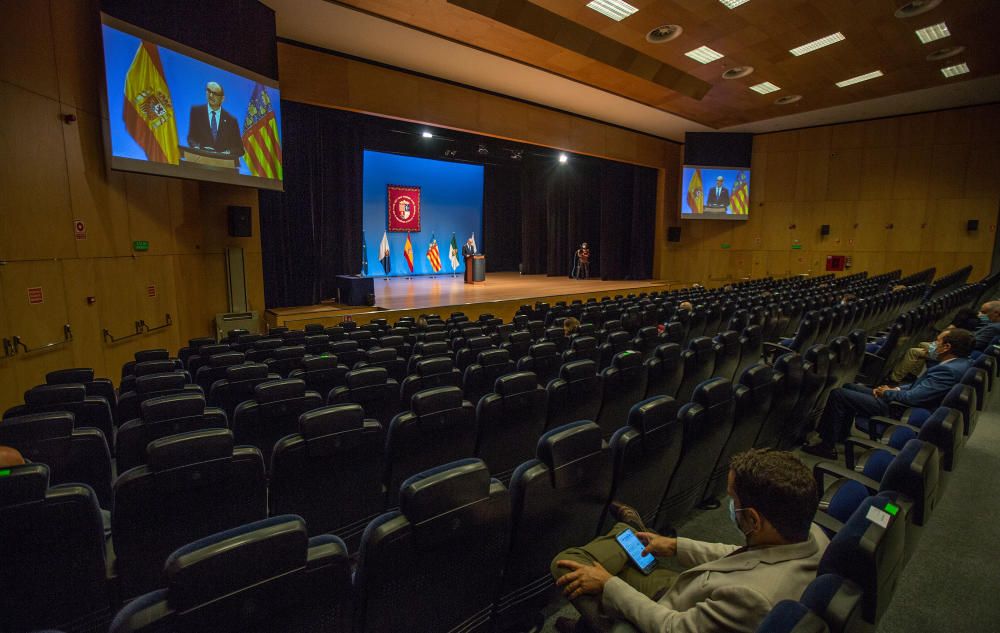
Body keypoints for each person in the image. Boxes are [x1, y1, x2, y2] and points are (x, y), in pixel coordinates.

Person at [550, 449, 827, 633]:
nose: (730, 504)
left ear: (753, 520)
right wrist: (674, 546)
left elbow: (673, 627)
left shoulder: (751, 600)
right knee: (629, 536)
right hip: (697, 590)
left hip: (677, 612)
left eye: (734, 500)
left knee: (570, 564)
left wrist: (609, 585)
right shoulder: (811, 535)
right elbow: (745, 555)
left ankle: (603, 623)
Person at [803, 327, 974, 459]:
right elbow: (920, 387)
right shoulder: (959, 364)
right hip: (903, 400)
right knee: (849, 387)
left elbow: (914, 397)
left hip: (900, 408)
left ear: (946, 347)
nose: (932, 345)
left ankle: (826, 446)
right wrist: (895, 388)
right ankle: (840, 434)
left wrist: (887, 394)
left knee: (838, 395)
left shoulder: (948, 371)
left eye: (937, 341)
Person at [889, 303, 995, 382]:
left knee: (913, 351)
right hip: (957, 350)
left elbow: (972, 343)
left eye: (984, 312)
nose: (980, 314)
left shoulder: (990, 327)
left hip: (954, 353)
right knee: (922, 344)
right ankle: (912, 373)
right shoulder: (985, 324)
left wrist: (935, 345)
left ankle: (895, 379)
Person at [187, 81, 244, 157]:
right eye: (209, 91)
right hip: (200, 160)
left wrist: (226, 153)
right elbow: (191, 137)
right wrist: (196, 148)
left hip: (222, 165)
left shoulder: (231, 121)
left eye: (215, 94)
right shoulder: (196, 111)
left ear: (222, 99)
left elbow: (239, 149)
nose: (211, 95)